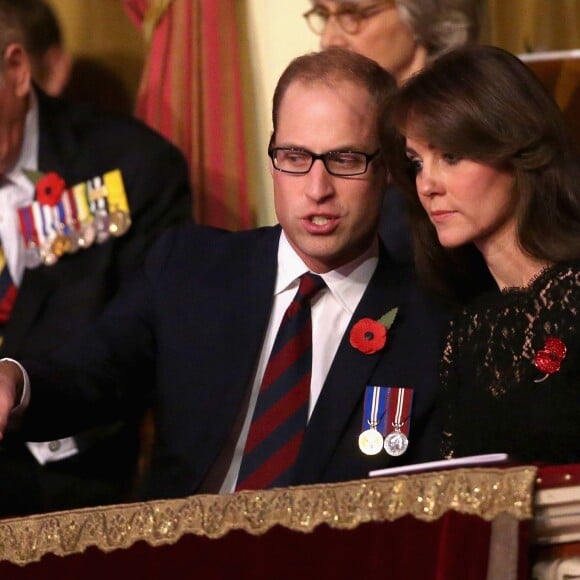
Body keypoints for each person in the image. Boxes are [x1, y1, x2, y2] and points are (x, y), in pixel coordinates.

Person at [0, 48, 447, 501]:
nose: (317, 189)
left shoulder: (429, 317)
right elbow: (89, 373)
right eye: (294, 157)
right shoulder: (189, 269)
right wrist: (13, 380)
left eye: (345, 160)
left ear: (388, 167)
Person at [0, 0, 192, 515]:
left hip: (68, 481)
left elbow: (143, 341)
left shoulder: (134, 169)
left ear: (18, 70)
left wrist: (21, 385)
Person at [382, 44, 580, 464]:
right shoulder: (466, 327)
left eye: (451, 156)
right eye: (417, 162)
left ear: (517, 150)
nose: (427, 185)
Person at [303, 0, 483, 263]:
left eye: (352, 13)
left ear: (424, 15)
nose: (329, 40)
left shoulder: (474, 120)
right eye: (323, 14)